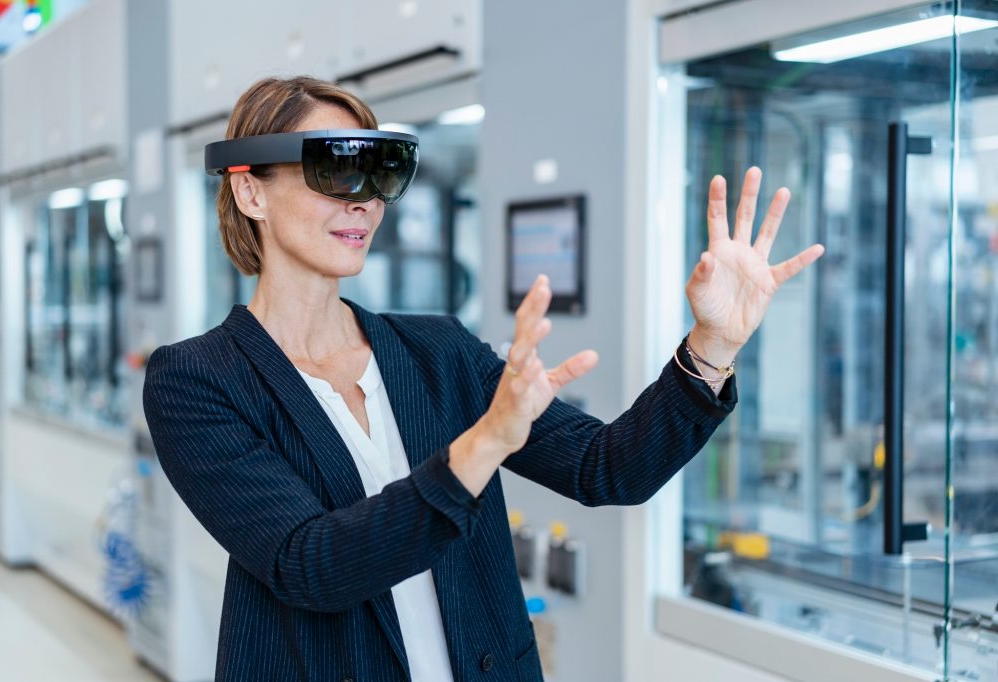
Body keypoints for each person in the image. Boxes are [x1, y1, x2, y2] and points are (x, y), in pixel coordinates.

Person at [142, 75, 824, 682]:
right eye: (334, 169)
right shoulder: (198, 379)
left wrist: (711, 346)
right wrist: (485, 443)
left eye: (382, 170)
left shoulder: (439, 351)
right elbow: (309, 565)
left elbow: (608, 468)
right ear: (250, 189)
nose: (366, 202)